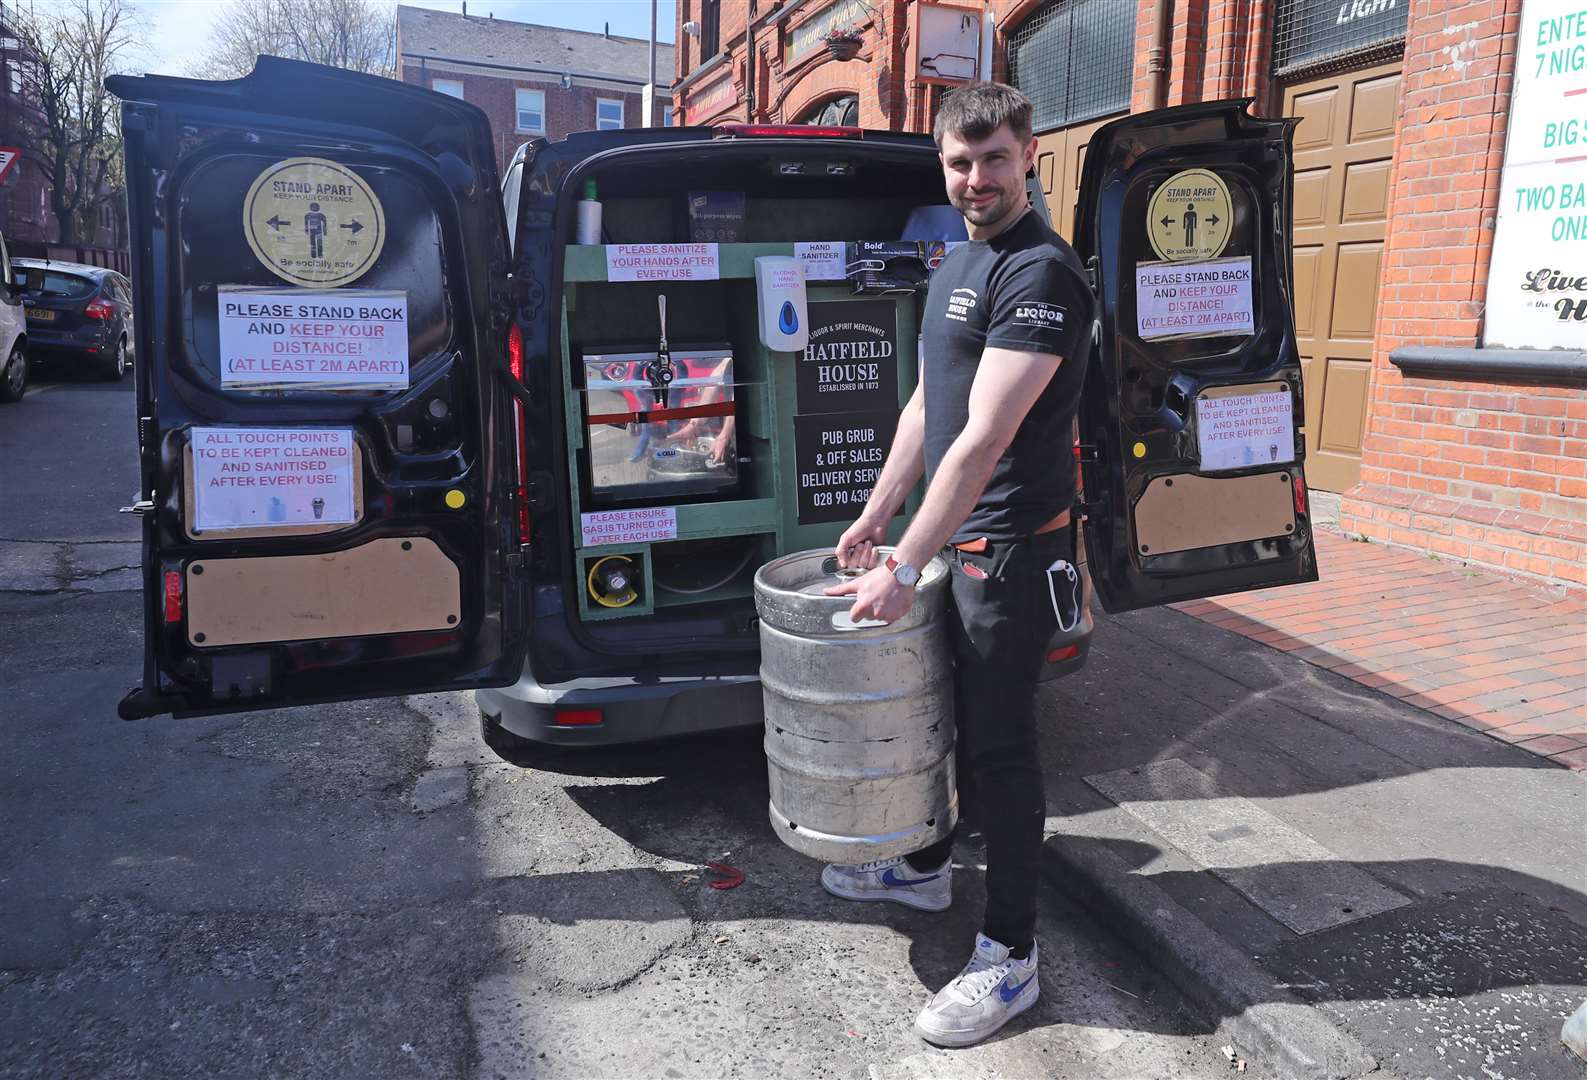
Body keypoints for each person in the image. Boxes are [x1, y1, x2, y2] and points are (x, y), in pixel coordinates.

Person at [822, 82, 1093, 1049]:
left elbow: (980, 443)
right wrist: (873, 516)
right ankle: (924, 865)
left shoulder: (1041, 274)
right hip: (950, 544)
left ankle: (1010, 958)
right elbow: (926, 410)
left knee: (1000, 749)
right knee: (935, 724)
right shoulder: (958, 260)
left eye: (992, 159)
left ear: (1028, 157)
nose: (975, 177)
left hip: (1010, 552)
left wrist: (901, 563)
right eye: (958, 162)